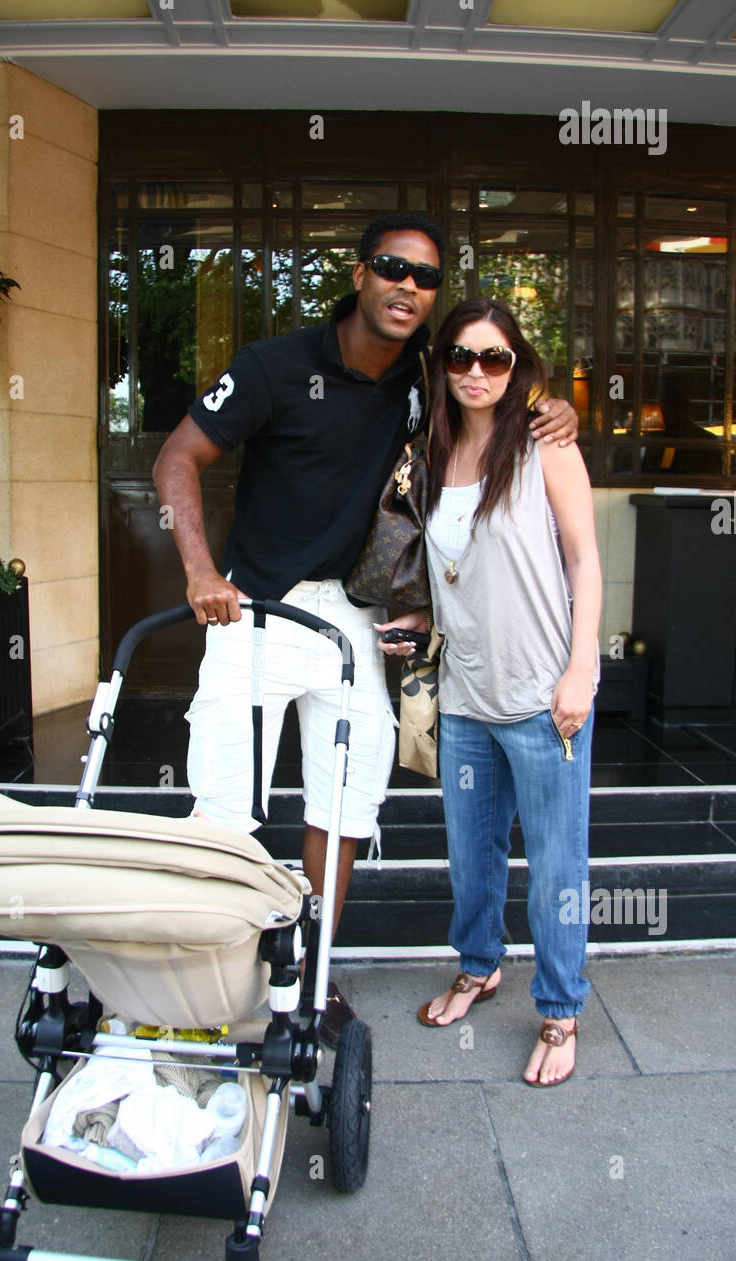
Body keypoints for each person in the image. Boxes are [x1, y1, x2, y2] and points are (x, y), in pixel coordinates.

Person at [153, 221, 578, 1046]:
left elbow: (493, 378)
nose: (406, 286)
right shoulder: (275, 366)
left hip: (352, 617)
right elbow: (177, 457)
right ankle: (217, 975)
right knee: (224, 804)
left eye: (423, 277)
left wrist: (548, 401)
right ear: (359, 274)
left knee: (346, 803)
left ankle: (309, 969)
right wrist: (201, 570)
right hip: (256, 609)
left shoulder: (426, 378)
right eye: (391, 268)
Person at [378, 298, 601, 1086]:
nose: (476, 372)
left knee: (555, 865)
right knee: (471, 858)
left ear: (517, 366)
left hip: (546, 699)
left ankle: (560, 1007)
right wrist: (414, 616)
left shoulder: (545, 446)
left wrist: (581, 672)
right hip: (466, 696)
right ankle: (478, 967)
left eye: (494, 358)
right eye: (461, 357)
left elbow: (583, 563)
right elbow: (454, 568)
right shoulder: (433, 456)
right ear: (440, 365)